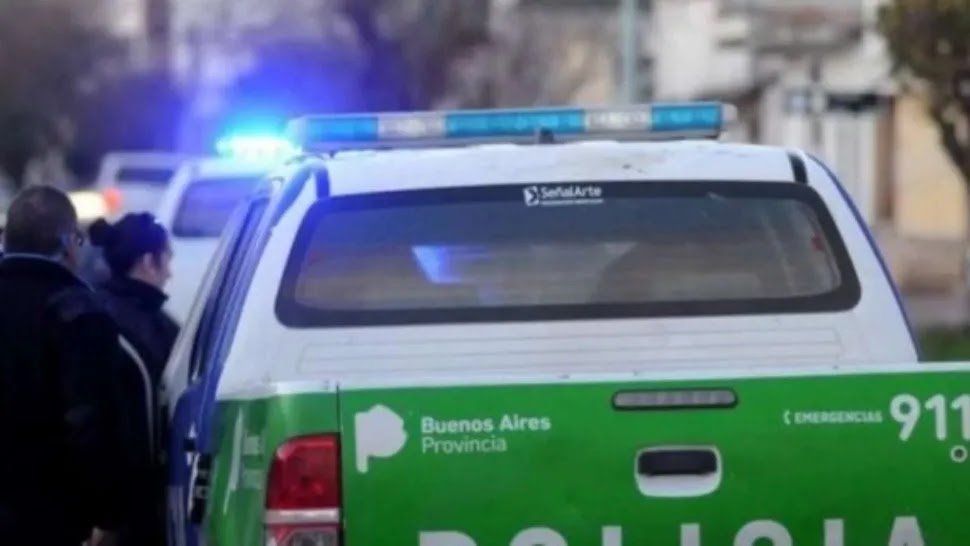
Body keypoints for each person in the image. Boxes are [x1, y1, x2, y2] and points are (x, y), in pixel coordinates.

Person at [0, 185, 127, 546]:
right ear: (70, 243)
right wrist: (107, 512)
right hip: (49, 517)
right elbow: (90, 422)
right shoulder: (80, 314)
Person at [88, 213, 179, 546]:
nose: (170, 272)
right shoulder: (153, 329)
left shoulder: (95, 313)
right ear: (148, 262)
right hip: (137, 504)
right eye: (167, 259)